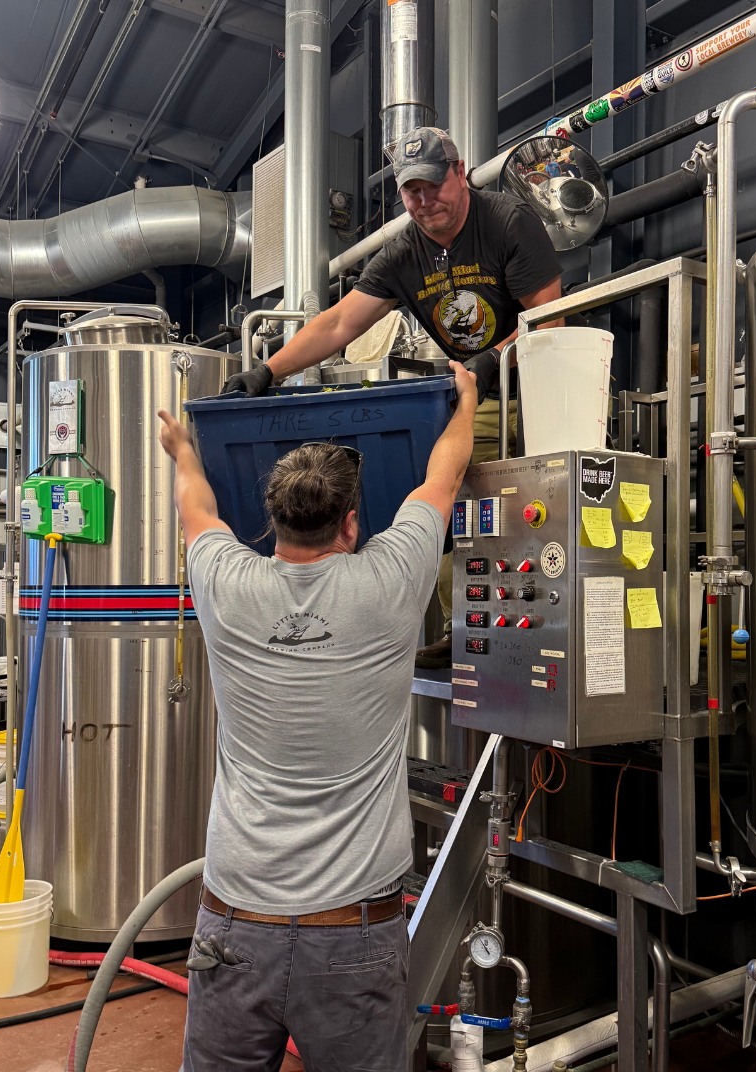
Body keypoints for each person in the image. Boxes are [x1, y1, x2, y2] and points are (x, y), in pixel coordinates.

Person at [158, 359, 478, 1072]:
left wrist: (183, 451)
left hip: (235, 918)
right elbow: (443, 480)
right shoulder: (389, 582)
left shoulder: (225, 583)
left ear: (269, 524)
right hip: (353, 933)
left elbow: (197, 508)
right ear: (353, 522)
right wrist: (466, 401)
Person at [223, 125, 563, 667]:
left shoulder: (506, 222)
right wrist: (269, 371)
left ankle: (523, 634)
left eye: (433, 185)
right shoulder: (404, 251)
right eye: (412, 191)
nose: (425, 202)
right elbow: (338, 324)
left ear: (459, 172)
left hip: (538, 390)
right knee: (442, 502)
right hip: (472, 393)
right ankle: (470, 627)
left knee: (510, 509)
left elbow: (547, 320)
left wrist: (496, 357)